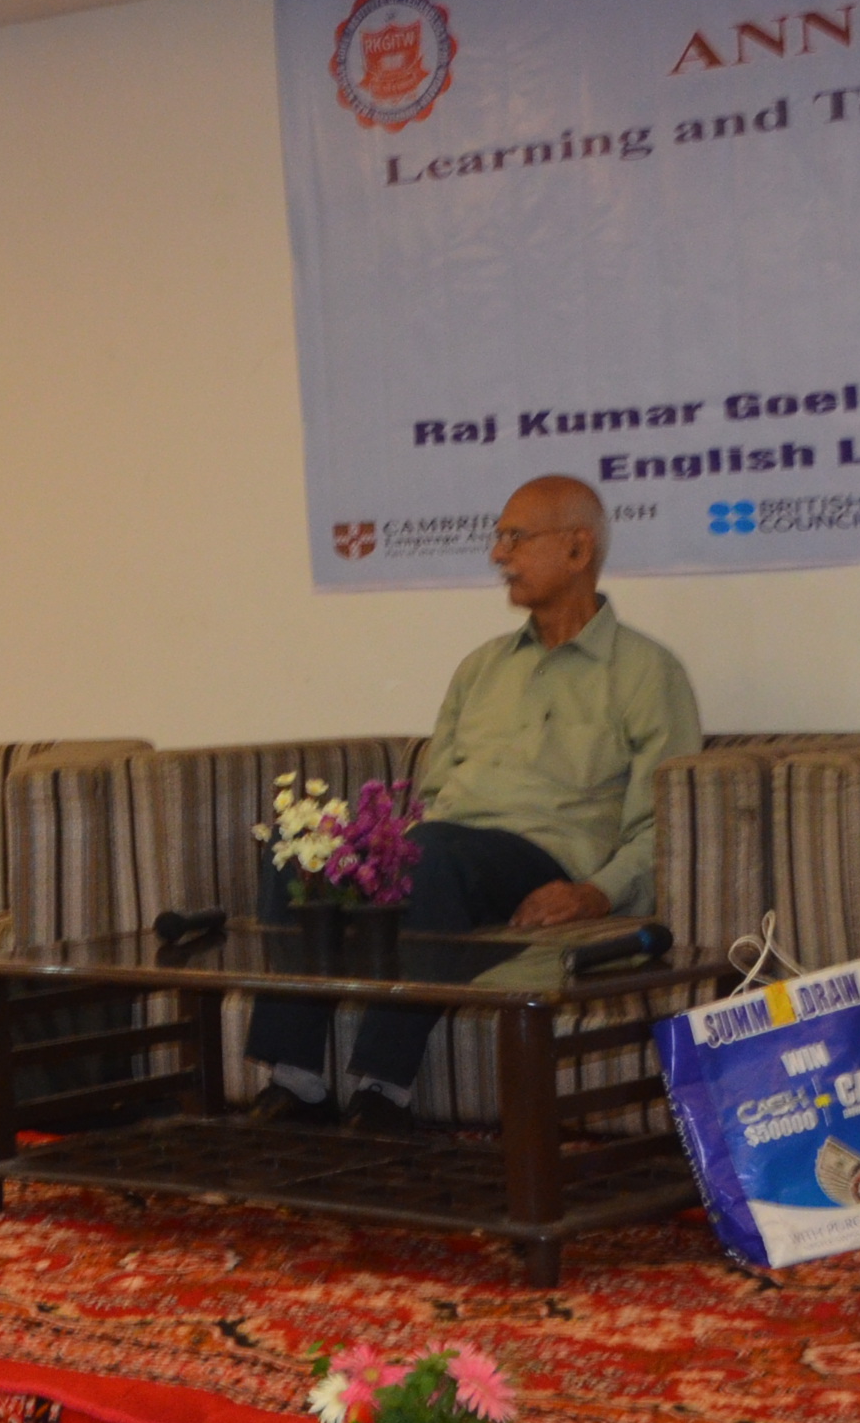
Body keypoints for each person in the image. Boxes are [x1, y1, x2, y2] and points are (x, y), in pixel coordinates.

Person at [252, 474, 703, 1128]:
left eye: (515, 538)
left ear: (578, 549)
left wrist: (596, 893)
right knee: (294, 850)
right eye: (498, 539)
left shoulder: (646, 673)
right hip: (446, 849)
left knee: (431, 853)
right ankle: (297, 1081)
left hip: (540, 858)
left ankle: (383, 1089)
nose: (498, 555)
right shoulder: (482, 667)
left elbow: (668, 820)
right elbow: (435, 791)